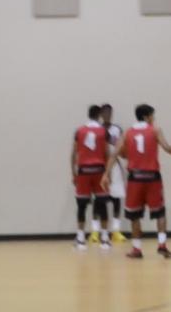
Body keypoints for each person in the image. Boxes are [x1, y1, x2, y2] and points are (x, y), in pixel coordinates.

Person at [102, 104, 171, 259]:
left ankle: (136, 249)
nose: (154, 119)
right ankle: (162, 245)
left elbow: (114, 154)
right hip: (152, 177)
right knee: (160, 213)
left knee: (134, 215)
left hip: (135, 178)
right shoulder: (155, 130)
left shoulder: (128, 132)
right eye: (153, 116)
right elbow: (167, 147)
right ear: (147, 117)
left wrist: (106, 174)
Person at [71, 105, 110, 250]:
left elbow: (73, 153)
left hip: (84, 171)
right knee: (102, 204)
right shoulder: (103, 131)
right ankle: (104, 239)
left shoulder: (79, 131)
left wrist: (73, 173)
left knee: (81, 205)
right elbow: (107, 153)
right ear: (99, 115)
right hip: (99, 170)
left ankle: (81, 239)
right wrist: (108, 174)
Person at [95, 104, 127, 243]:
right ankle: (96, 231)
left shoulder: (117, 129)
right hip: (99, 166)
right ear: (101, 114)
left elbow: (123, 147)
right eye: (105, 112)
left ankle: (116, 231)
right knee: (99, 200)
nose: (108, 115)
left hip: (114, 166)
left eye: (110, 112)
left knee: (116, 198)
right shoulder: (96, 129)